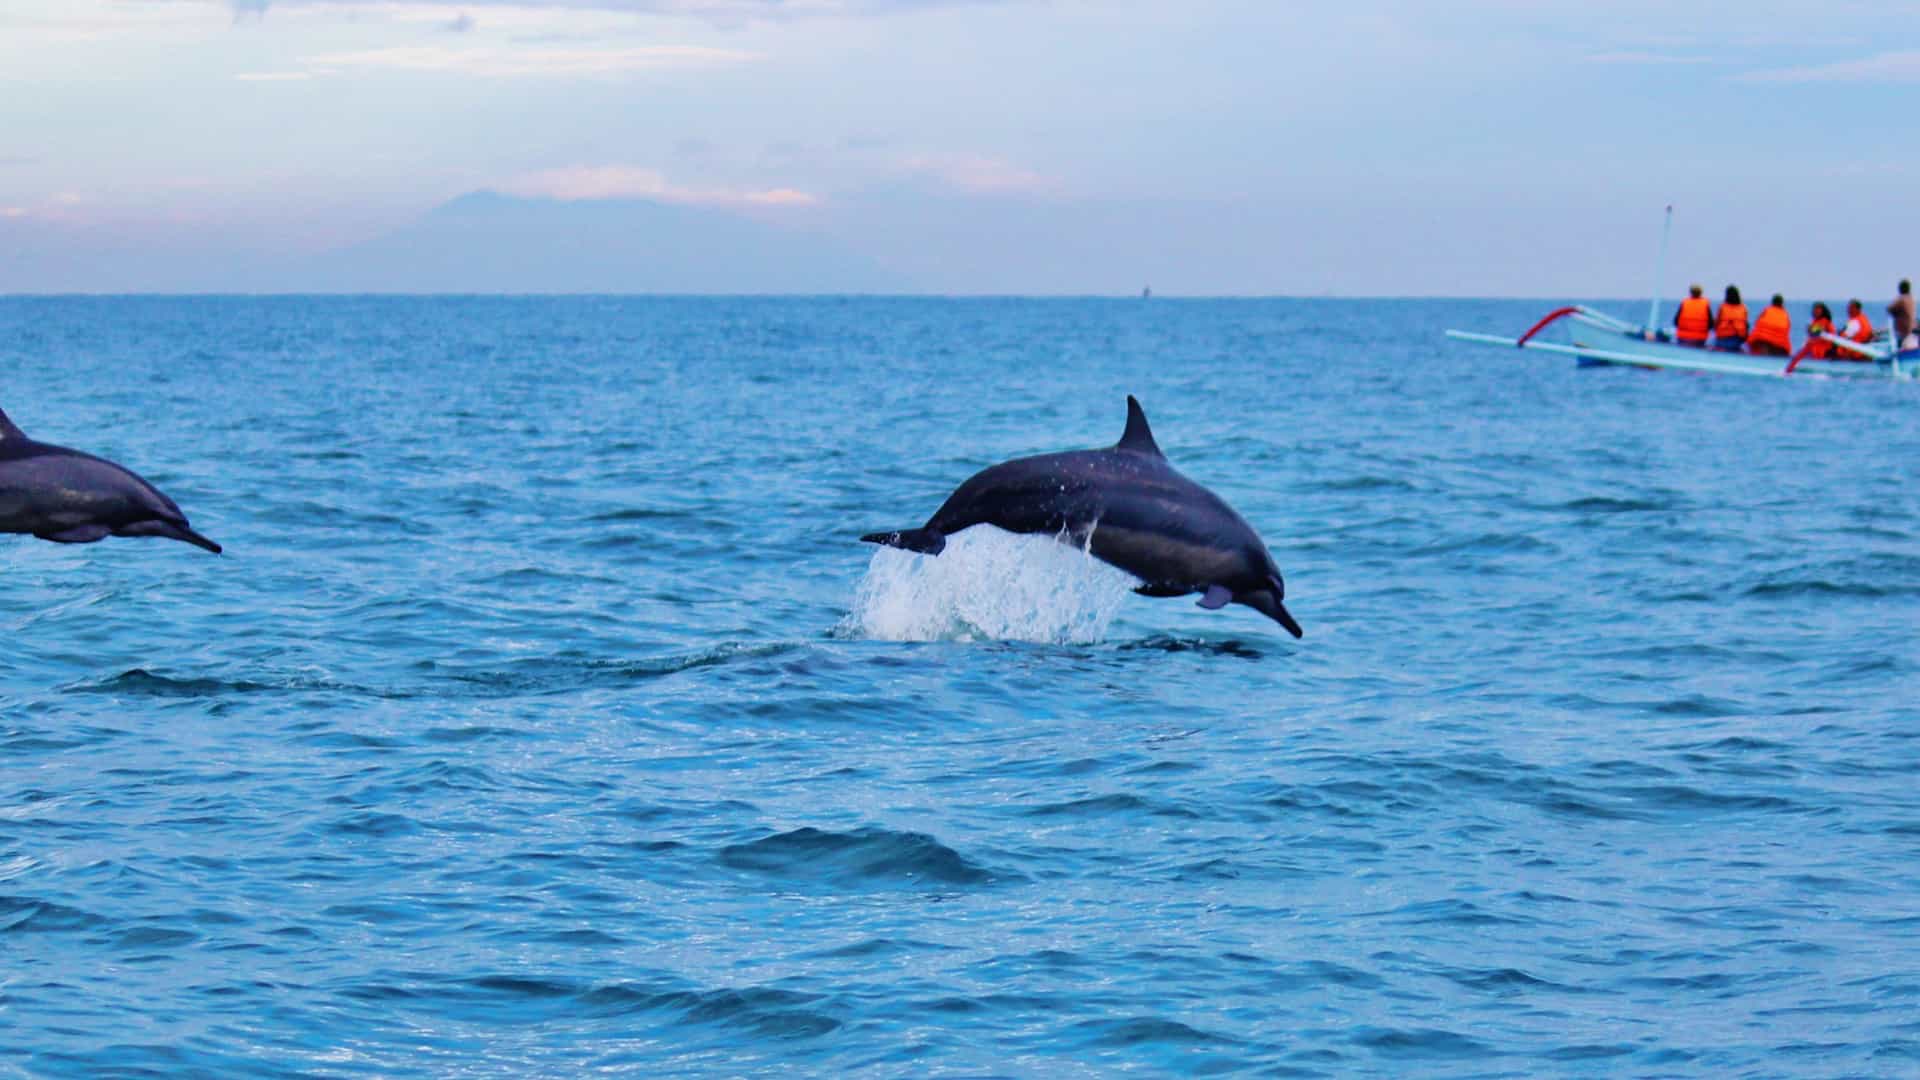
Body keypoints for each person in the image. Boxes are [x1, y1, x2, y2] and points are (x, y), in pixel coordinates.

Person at [1713, 285, 1748, 352]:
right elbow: (1746, 325)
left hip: (1722, 338)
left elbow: (1716, 323)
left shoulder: (1723, 307)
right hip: (1737, 339)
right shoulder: (1743, 308)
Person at [1890, 279, 1916, 350]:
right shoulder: (1911, 299)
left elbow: (1890, 309)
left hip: (1903, 331)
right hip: (1911, 330)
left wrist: (1895, 314)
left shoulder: (1901, 299)